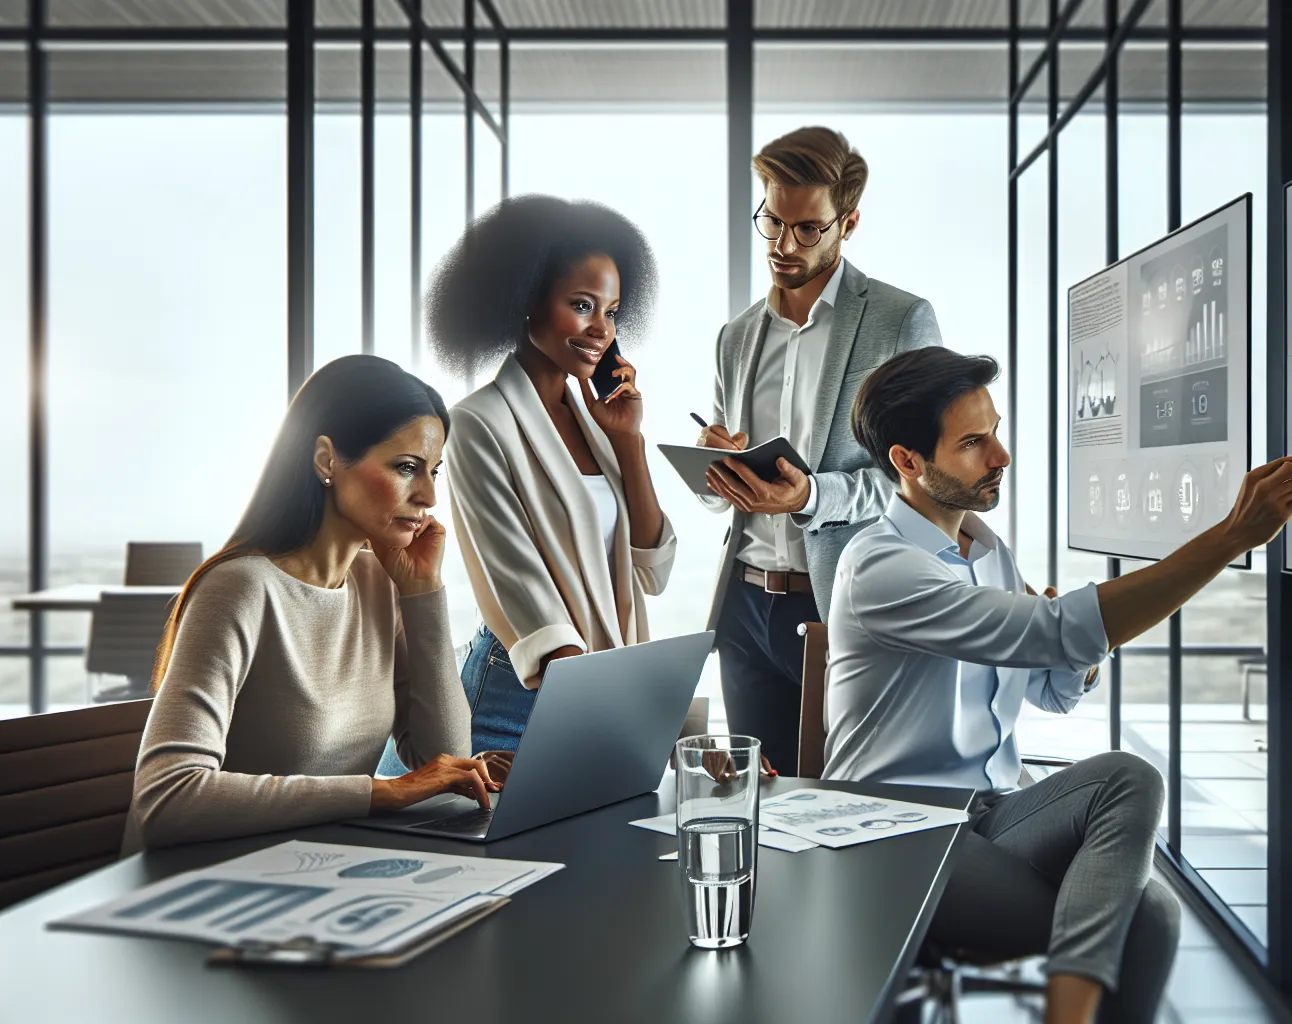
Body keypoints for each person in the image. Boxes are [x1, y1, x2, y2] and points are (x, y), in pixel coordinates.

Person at [826, 347, 1292, 1024]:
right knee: (1140, 879)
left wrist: (1063, 648)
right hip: (894, 831)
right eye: (972, 443)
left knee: (1150, 892)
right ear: (908, 461)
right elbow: (1054, 632)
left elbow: (1049, 691)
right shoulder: (879, 567)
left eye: (995, 431)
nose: (1001, 456)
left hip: (988, 812)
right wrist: (1232, 536)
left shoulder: (986, 551)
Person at [126, 356, 495, 853]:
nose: (428, 495)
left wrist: (423, 592)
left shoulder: (379, 585)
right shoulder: (240, 588)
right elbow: (166, 798)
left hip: (317, 869)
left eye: (433, 471)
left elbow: (445, 758)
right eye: (406, 468)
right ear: (326, 460)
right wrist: (380, 792)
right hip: (205, 882)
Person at [389, 194, 678, 771]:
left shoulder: (599, 426)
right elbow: (526, 596)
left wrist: (630, 442)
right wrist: (639, 735)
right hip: (511, 698)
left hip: (588, 691)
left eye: (613, 312)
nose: (602, 329)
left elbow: (652, 566)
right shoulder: (475, 423)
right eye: (581, 305)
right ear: (526, 301)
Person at [695, 126, 943, 774]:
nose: (782, 244)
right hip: (745, 607)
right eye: (772, 221)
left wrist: (812, 496)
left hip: (840, 600)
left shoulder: (900, 320)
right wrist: (713, 463)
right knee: (761, 801)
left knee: (842, 805)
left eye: (806, 229)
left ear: (848, 222)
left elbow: (927, 480)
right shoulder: (737, 336)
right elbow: (718, 490)